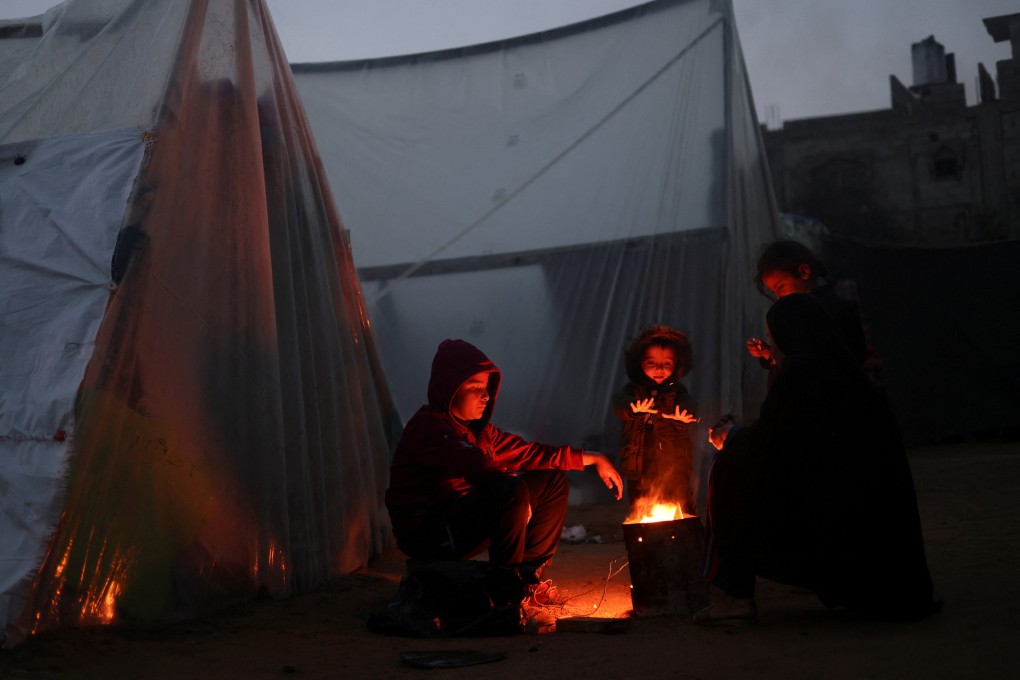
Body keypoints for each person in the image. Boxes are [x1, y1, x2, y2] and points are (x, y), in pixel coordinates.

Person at [699, 293, 938, 623]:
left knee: (726, 470)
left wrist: (733, 438)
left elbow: (776, 451)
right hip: (872, 533)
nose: (774, 345)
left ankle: (731, 596)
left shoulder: (801, 374)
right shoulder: (846, 371)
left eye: (774, 338)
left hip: (830, 516)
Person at [385, 339, 623, 587]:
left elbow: (530, 453)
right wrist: (513, 491)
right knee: (509, 489)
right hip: (428, 534)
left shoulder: (481, 433)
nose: (486, 396)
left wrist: (594, 458)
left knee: (551, 479)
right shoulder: (428, 428)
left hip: (462, 522)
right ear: (450, 388)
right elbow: (473, 463)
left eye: (487, 388)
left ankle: (528, 577)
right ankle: (505, 588)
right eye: (475, 387)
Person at [746, 240, 869, 387]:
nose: (779, 297)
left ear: (804, 272)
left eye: (781, 287)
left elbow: (809, 364)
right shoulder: (796, 315)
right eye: (774, 292)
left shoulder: (831, 311)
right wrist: (769, 352)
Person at [611, 325, 699, 516]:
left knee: (680, 503)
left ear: (677, 365)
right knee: (640, 508)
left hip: (672, 463)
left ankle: (687, 539)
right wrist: (633, 407)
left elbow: (689, 405)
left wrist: (684, 414)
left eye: (667, 364)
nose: (659, 369)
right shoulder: (633, 390)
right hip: (639, 464)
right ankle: (644, 540)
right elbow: (619, 403)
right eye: (651, 363)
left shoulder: (676, 391)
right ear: (639, 363)